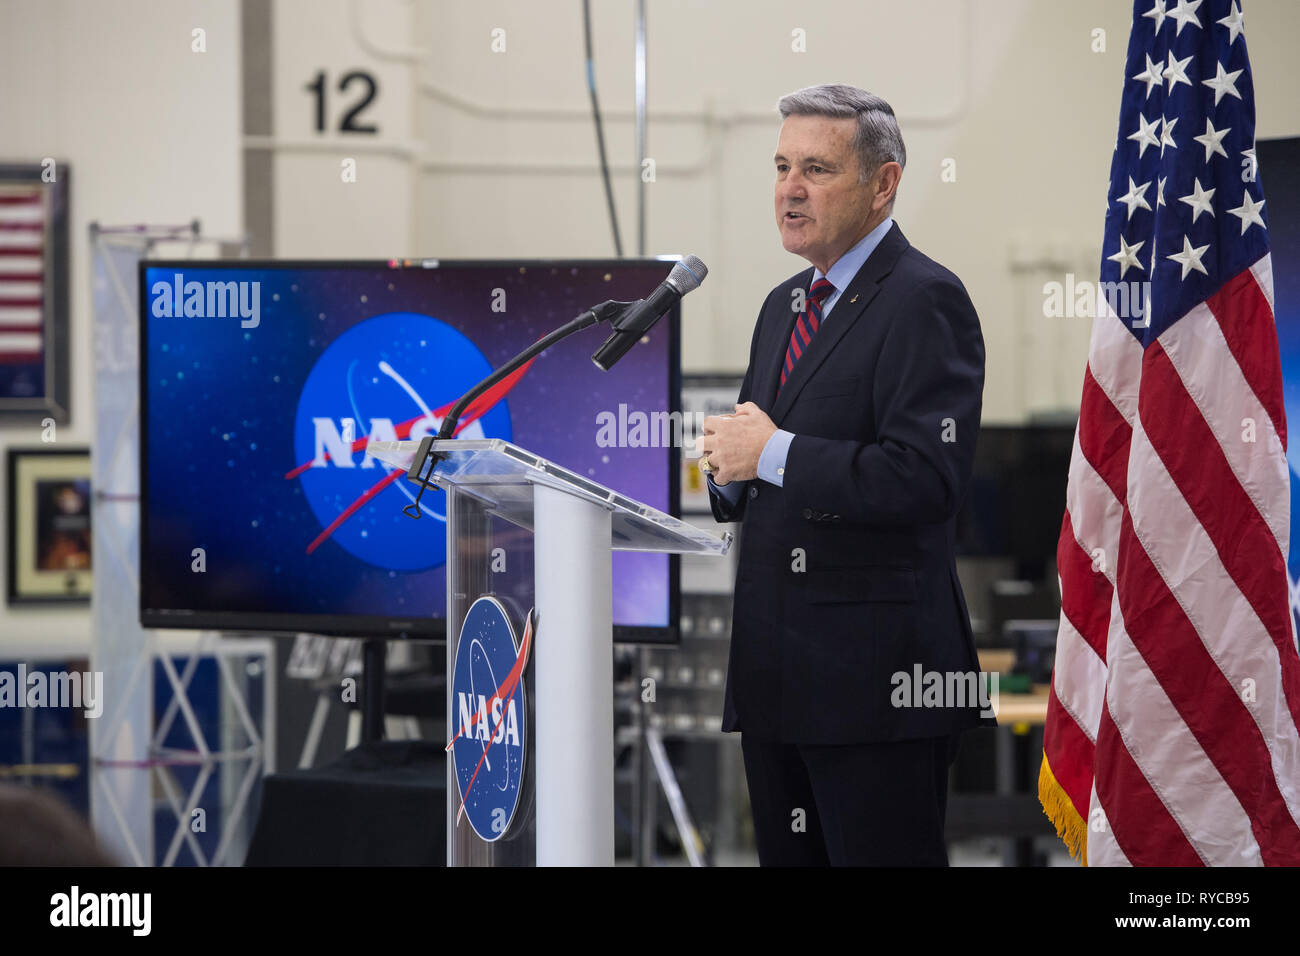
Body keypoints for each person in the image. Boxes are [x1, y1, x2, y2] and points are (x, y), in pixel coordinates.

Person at [698, 83, 991, 866]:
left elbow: (927, 480)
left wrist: (772, 453)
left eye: (817, 170)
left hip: (877, 689)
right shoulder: (782, 305)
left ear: (883, 183)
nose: (789, 189)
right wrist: (727, 472)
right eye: (782, 166)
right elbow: (762, 462)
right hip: (776, 679)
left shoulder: (926, 299)